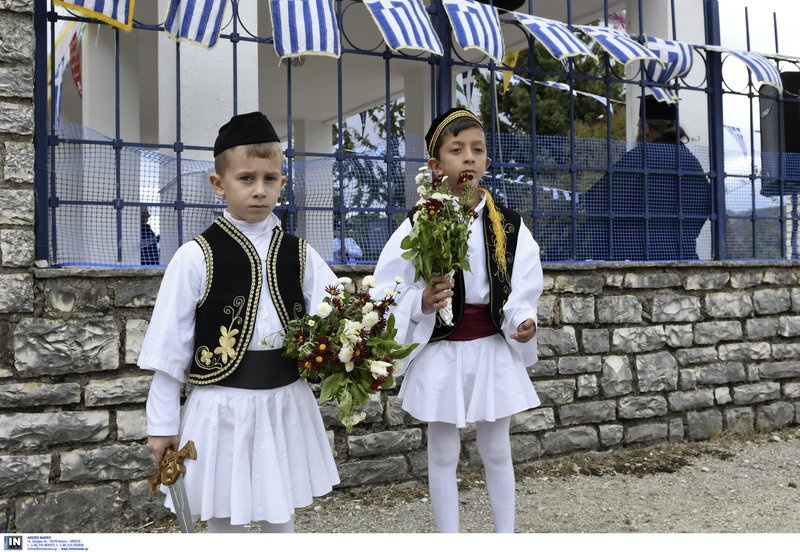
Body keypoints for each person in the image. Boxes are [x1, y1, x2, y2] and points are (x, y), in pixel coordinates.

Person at [138, 111, 340, 533]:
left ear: (282, 183)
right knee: (224, 520)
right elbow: (168, 349)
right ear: (219, 183)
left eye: (270, 179)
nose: (259, 190)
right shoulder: (196, 256)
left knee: (279, 517)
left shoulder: (300, 254)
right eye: (246, 178)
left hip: (285, 402)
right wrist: (161, 425)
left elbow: (340, 313)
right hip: (220, 407)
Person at [373, 108, 543, 533]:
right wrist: (421, 302)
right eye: (456, 150)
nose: (468, 158)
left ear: (487, 161)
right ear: (435, 166)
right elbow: (386, 287)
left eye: (477, 150)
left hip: (491, 348)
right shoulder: (418, 223)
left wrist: (523, 320)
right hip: (442, 350)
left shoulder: (510, 225)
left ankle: (506, 536)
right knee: (443, 452)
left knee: (497, 448)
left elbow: (522, 284)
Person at [578, 96, 711, 260]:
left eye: (638, 127)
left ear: (646, 128)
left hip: (636, 259)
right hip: (682, 257)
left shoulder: (638, 158)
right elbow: (705, 205)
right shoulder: (691, 162)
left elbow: (596, 199)